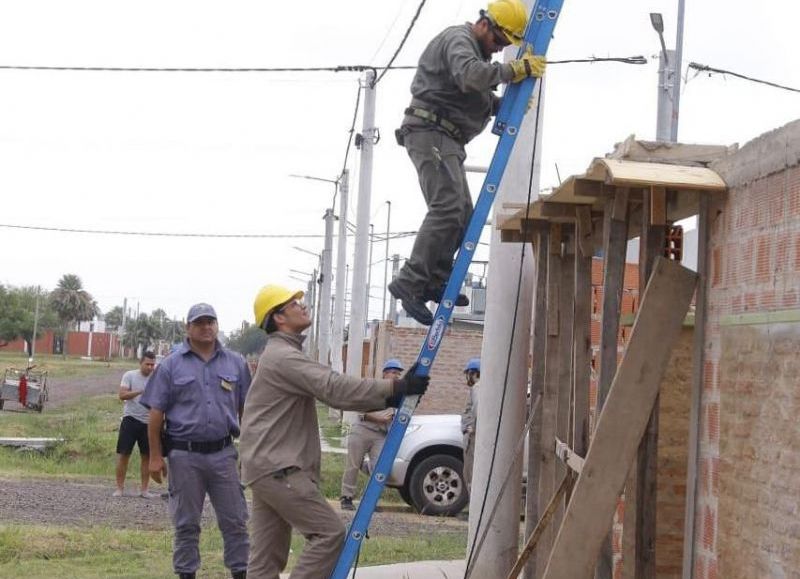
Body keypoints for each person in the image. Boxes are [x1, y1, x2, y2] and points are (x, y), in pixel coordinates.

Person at [240, 285, 429, 579]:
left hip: (265, 466)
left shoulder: (279, 354)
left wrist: (392, 394)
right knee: (328, 534)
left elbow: (332, 390)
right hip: (277, 468)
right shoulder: (283, 357)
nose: (303, 306)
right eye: (294, 304)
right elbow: (334, 388)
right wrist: (395, 388)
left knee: (265, 561)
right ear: (278, 317)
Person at [388, 0, 546, 325]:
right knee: (446, 207)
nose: (499, 47)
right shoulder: (459, 40)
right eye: (499, 40)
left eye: (505, 44)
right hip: (430, 131)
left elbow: (472, 95)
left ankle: (435, 279)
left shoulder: (477, 54)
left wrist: (505, 105)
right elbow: (470, 77)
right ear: (484, 24)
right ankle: (410, 282)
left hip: (446, 138)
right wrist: (513, 71)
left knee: (462, 214)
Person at [140, 303, 250, 579]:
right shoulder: (170, 365)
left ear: (217, 325)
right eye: (199, 323)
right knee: (186, 524)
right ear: (187, 328)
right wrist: (155, 457)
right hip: (184, 455)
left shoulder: (236, 363)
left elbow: (247, 410)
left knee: (236, 521)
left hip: (223, 454)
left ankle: (240, 572)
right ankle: (186, 573)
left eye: (210, 322)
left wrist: (250, 452)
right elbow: (156, 415)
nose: (206, 327)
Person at [339, 358, 404, 511]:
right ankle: (346, 497)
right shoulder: (373, 388)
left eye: (398, 373)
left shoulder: (398, 394)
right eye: (393, 372)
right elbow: (360, 412)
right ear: (385, 374)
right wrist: (379, 418)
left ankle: (370, 500)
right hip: (362, 430)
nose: (396, 376)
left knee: (379, 467)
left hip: (380, 434)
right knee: (353, 465)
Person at [113, 350, 159, 498]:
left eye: (152, 365)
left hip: (149, 422)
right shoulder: (129, 375)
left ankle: (144, 490)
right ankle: (119, 488)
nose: (150, 367)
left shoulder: (157, 378)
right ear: (140, 363)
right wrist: (140, 392)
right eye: (147, 364)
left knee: (146, 456)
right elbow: (122, 395)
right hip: (130, 419)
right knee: (124, 454)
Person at [461, 357, 481, 494]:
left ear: (474, 373)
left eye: (469, 374)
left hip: (473, 438)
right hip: (472, 436)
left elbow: (477, 410)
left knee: (471, 475)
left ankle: (474, 506)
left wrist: (473, 428)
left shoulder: (478, 388)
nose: (468, 377)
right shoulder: (480, 388)